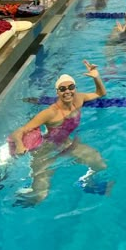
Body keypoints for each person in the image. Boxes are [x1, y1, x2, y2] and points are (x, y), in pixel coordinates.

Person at [9, 62, 108, 204]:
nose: (67, 91)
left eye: (71, 87)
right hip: (45, 151)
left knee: (100, 164)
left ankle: (85, 181)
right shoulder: (50, 113)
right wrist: (19, 145)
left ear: (75, 88)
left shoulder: (79, 99)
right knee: (40, 196)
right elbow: (19, 131)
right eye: (62, 89)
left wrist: (96, 77)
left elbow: (101, 93)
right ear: (57, 92)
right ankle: (16, 195)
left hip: (67, 144)